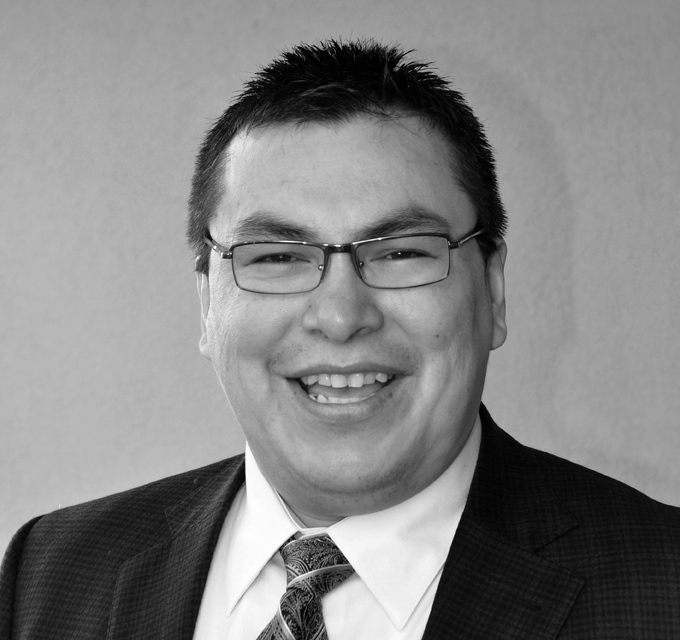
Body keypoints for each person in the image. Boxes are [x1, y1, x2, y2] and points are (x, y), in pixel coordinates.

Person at [1, 39, 679, 640]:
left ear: (493, 289)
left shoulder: (664, 587)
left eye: (402, 253)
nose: (340, 315)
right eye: (277, 256)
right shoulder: (50, 572)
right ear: (207, 302)